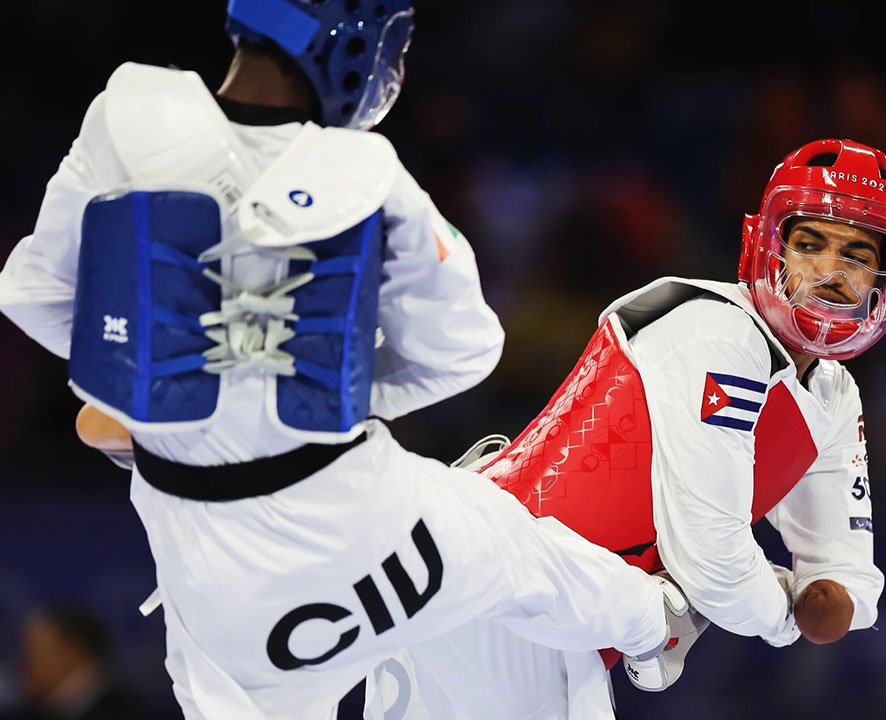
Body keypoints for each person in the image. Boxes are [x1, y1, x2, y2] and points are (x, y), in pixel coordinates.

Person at [0, 2, 678, 718]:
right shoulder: (367, 174)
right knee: (520, 553)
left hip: (215, 574)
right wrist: (331, 394)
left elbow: (32, 292)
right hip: (364, 522)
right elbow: (467, 348)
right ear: (359, 44)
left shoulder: (127, 117)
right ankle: (657, 622)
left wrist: (161, 393)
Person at [362, 138, 886, 719]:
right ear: (766, 245)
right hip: (498, 586)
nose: (829, 272)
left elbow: (843, 580)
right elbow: (715, 563)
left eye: (857, 256)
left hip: (547, 616)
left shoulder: (832, 396)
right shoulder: (718, 334)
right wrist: (775, 611)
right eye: (809, 245)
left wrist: (803, 600)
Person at [16, 605, 144, 720]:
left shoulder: (117, 714)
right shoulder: (51, 710)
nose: (24, 663)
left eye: (35, 651)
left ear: (72, 651)